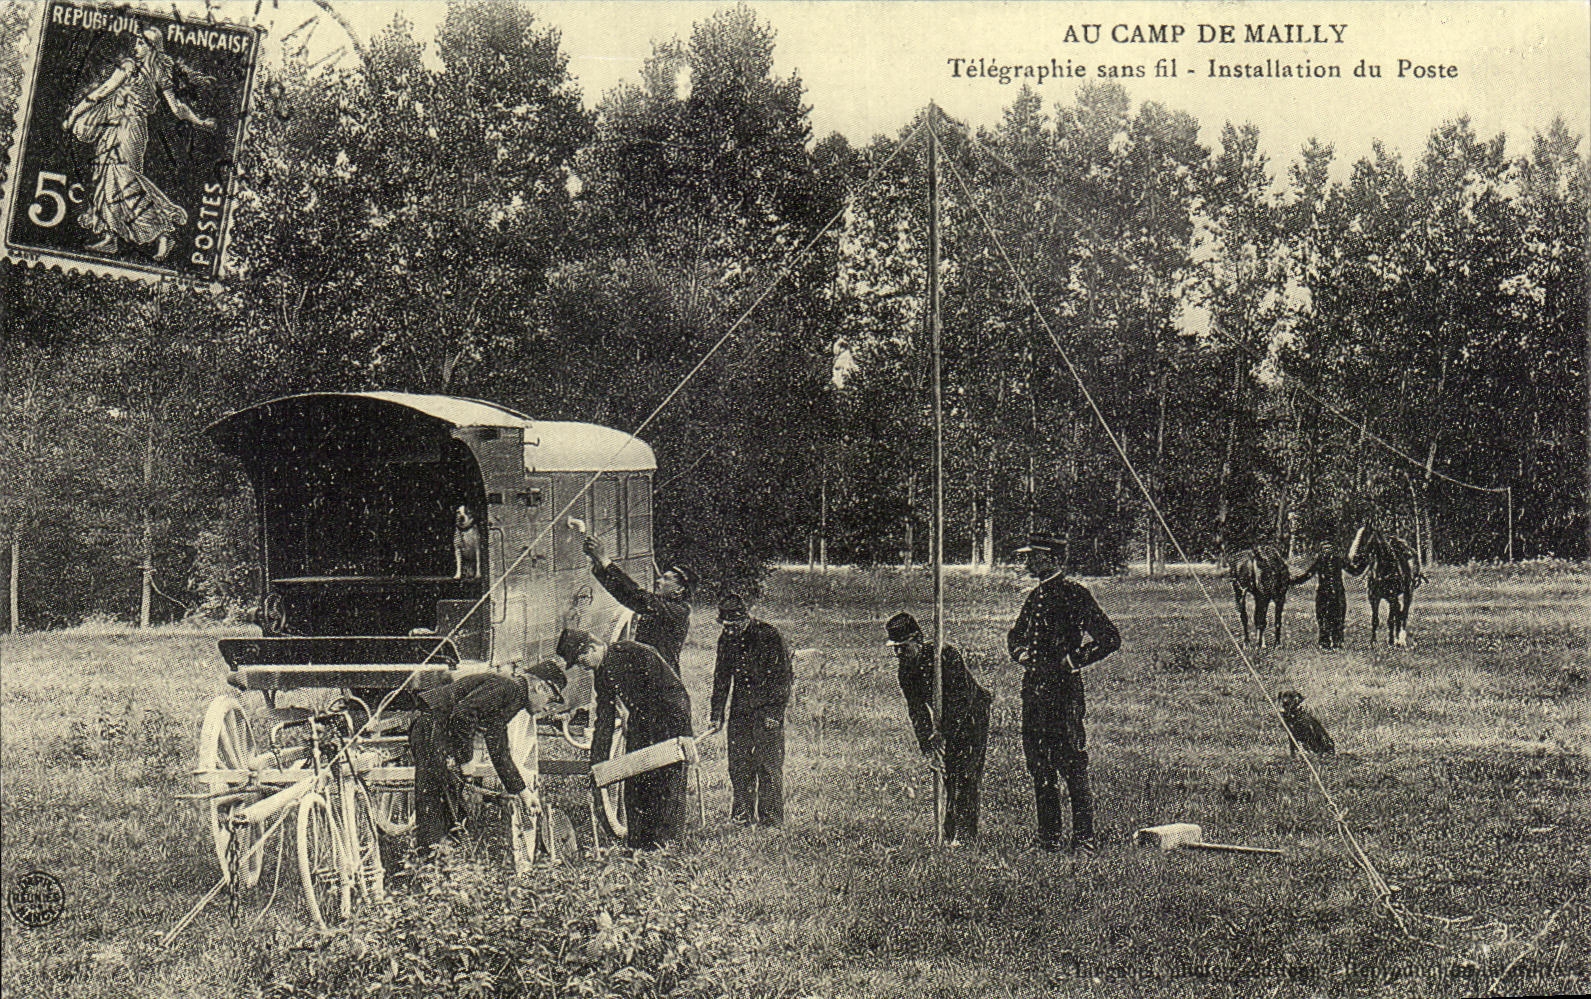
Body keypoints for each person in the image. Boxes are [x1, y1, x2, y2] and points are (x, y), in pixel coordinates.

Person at [1007, 533, 1120, 853]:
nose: (1028, 562)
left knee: (1072, 763)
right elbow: (1015, 636)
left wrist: (1074, 660)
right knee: (1039, 765)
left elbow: (1109, 638)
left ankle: (1084, 838)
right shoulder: (1035, 597)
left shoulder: (1075, 595)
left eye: (1034, 556)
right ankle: (1048, 838)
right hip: (1034, 691)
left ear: (1053, 559)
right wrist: (1020, 654)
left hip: (1063, 692)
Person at [63, 27, 216, 259]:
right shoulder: (154, 72)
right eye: (136, 42)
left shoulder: (134, 69)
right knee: (107, 180)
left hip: (127, 130)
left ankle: (163, 232)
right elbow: (178, 109)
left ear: (152, 48)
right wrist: (200, 121)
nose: (136, 46)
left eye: (141, 43)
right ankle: (110, 237)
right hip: (117, 128)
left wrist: (74, 114)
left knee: (124, 180)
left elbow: (102, 92)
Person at [410, 661, 564, 852]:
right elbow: (462, 715)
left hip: (436, 726)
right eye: (550, 699)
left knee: (447, 800)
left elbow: (498, 749)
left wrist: (523, 792)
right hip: (431, 725)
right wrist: (465, 759)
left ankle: (443, 856)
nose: (548, 708)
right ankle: (430, 861)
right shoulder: (508, 688)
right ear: (539, 687)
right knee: (433, 799)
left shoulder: (512, 696)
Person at [886, 611, 991, 846]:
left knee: (966, 772)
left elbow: (959, 700)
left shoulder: (945, 656)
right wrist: (928, 746)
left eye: (904, 647)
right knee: (949, 772)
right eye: (895, 648)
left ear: (918, 640)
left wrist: (944, 734)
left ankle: (965, 836)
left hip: (972, 714)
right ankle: (948, 832)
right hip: (945, 721)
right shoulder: (905, 670)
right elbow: (917, 710)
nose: (899, 653)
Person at [589, 639, 694, 849]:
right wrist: (598, 763)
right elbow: (605, 720)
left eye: (582, 658)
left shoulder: (635, 652)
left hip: (666, 723)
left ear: (592, 648)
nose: (583, 665)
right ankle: (639, 844)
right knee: (637, 787)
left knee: (667, 787)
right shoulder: (602, 673)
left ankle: (667, 846)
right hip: (640, 726)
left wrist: (684, 732)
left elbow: (675, 691)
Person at [707, 594, 793, 827]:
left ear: (745, 619)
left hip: (767, 710)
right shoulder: (726, 639)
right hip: (741, 710)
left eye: (734, 626)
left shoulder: (768, 635)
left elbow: (783, 679)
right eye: (725, 626)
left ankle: (771, 820)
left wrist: (774, 715)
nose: (730, 631)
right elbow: (721, 678)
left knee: (768, 765)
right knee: (738, 764)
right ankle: (742, 815)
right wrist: (717, 714)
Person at [583, 534, 693, 670]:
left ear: (680, 589)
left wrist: (605, 561)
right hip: (651, 670)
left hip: (662, 675)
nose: (658, 581)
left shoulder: (678, 610)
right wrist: (600, 567)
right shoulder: (666, 606)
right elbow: (626, 597)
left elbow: (636, 595)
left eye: (666, 579)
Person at [1290, 540, 1349, 649]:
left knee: (1338, 616)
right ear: (1322, 551)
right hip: (1323, 593)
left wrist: (1364, 565)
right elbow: (1308, 574)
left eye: (1329, 549)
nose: (1327, 551)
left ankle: (1337, 641)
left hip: (1338, 594)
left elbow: (1352, 569)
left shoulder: (1338, 561)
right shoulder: (1320, 561)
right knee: (1322, 617)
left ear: (1333, 550)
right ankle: (1324, 642)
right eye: (1325, 549)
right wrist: (1294, 580)